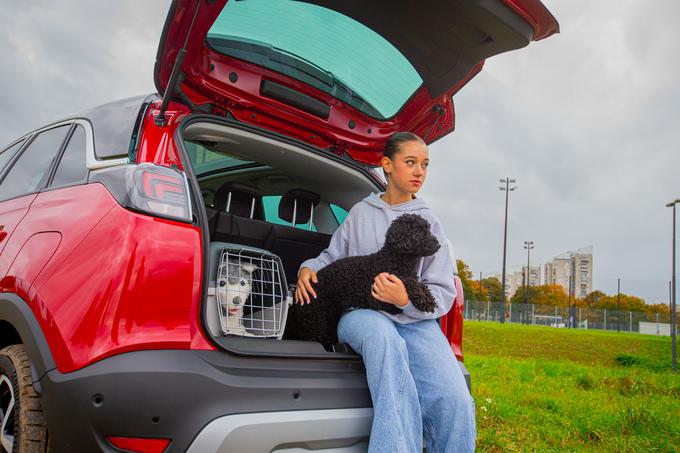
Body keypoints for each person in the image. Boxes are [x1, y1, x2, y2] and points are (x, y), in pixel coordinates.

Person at [295, 132, 476, 452]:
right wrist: (308, 267)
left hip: (415, 322)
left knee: (455, 399)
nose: (419, 171)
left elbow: (443, 291)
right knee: (386, 345)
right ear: (387, 165)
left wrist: (405, 300)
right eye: (411, 162)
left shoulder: (429, 221)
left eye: (425, 164)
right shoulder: (360, 214)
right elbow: (331, 258)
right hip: (361, 315)